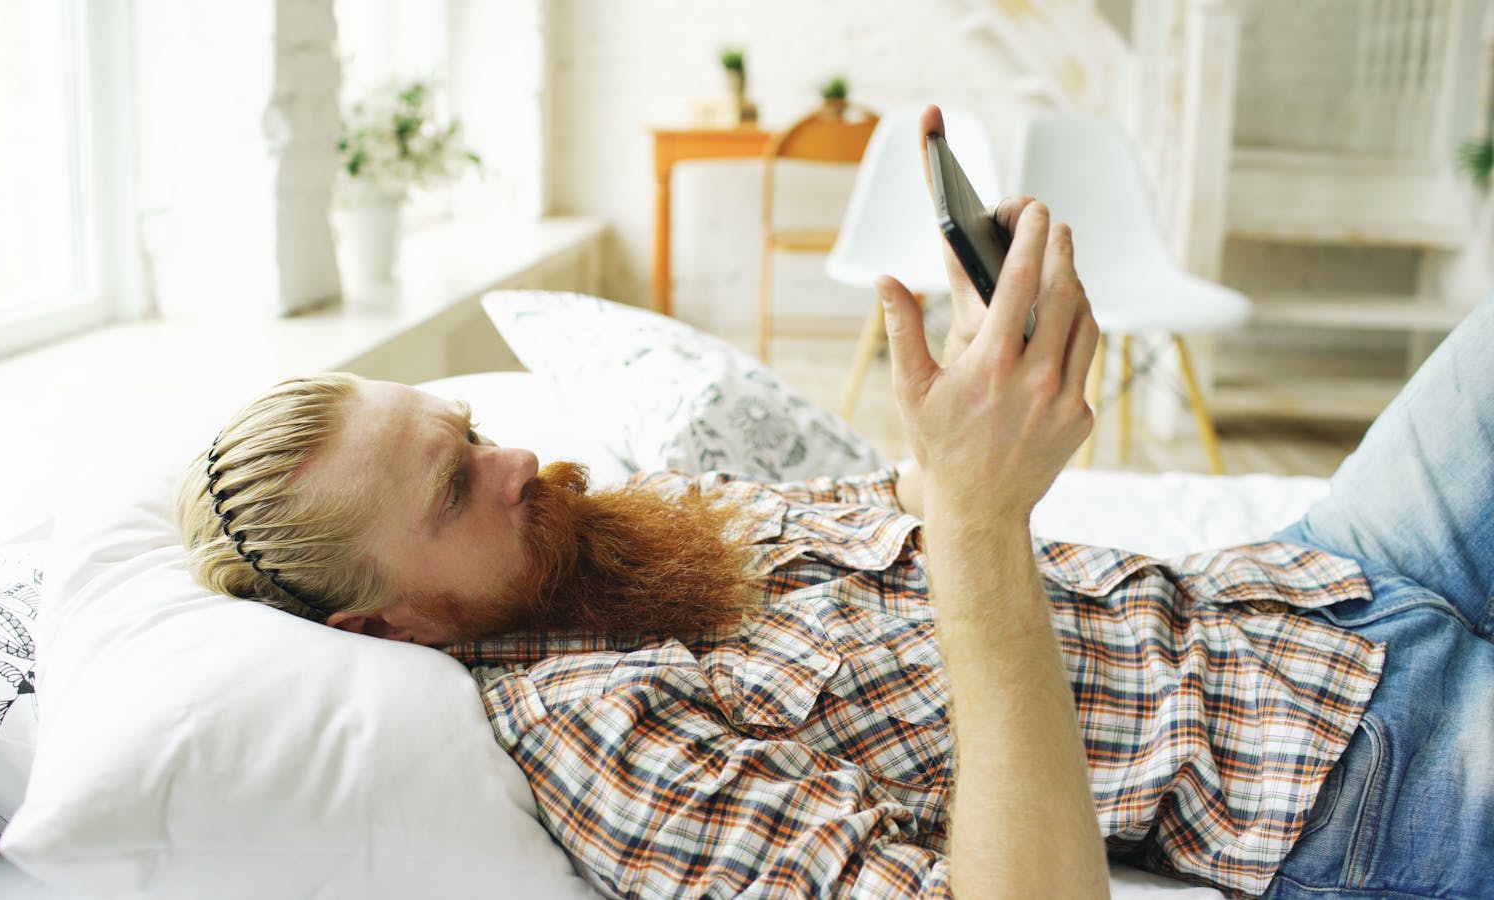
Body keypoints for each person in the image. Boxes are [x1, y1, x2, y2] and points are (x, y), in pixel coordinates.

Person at [176, 106, 1494, 900]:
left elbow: (903, 502)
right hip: (1347, 767)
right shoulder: (598, 736)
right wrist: (982, 523)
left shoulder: (617, 531)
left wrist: (987, 380)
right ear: (384, 627)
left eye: (470, 431)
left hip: (1313, 578)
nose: (515, 460)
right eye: (457, 486)